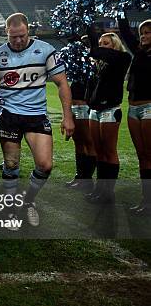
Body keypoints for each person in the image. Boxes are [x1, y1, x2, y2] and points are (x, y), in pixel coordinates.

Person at [0, 13, 75, 230]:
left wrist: (67, 116)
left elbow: (62, 83)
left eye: (22, 36)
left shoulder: (45, 50)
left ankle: (29, 200)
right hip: (9, 116)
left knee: (45, 165)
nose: (18, 40)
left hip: (36, 115)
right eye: (13, 36)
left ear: (28, 31)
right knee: (12, 164)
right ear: (6, 33)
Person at [84, 29, 131, 204]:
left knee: (109, 151)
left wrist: (91, 32)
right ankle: (100, 189)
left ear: (115, 45)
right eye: (100, 44)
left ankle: (108, 191)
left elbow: (99, 53)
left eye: (106, 44)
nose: (101, 47)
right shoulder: (99, 64)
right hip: (95, 110)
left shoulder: (122, 58)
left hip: (110, 109)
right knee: (99, 151)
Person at [118, 17, 151, 215]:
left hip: (149, 107)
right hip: (133, 108)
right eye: (142, 33)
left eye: (148, 32)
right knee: (142, 156)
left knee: (150, 154)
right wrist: (120, 7)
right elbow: (125, 32)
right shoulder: (138, 52)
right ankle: (145, 200)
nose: (144, 36)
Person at [66, 35, 96, 192]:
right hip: (75, 106)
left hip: (85, 106)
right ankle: (80, 176)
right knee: (78, 143)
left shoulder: (93, 65)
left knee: (88, 142)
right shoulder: (77, 65)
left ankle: (87, 179)